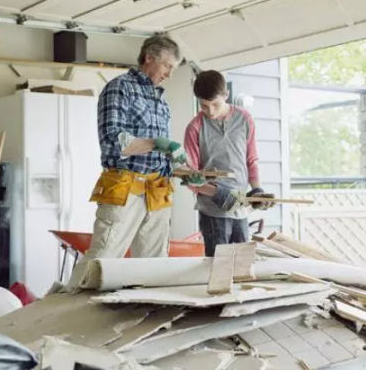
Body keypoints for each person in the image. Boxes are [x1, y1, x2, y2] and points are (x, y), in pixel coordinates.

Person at [64, 35, 186, 292]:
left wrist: (185, 171)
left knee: (155, 267)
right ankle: (62, 311)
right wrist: (157, 142)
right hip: (125, 187)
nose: (170, 74)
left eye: (173, 69)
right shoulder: (120, 88)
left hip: (158, 190)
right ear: (149, 58)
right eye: (168, 67)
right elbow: (113, 142)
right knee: (103, 260)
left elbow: (160, 152)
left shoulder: (160, 100)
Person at [183, 70, 275, 257]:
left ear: (226, 95)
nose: (210, 111)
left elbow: (251, 160)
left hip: (240, 209)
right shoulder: (195, 128)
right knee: (219, 266)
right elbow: (189, 176)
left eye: (215, 104)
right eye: (203, 105)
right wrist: (218, 193)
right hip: (212, 212)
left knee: (242, 264)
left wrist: (257, 189)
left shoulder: (245, 119)